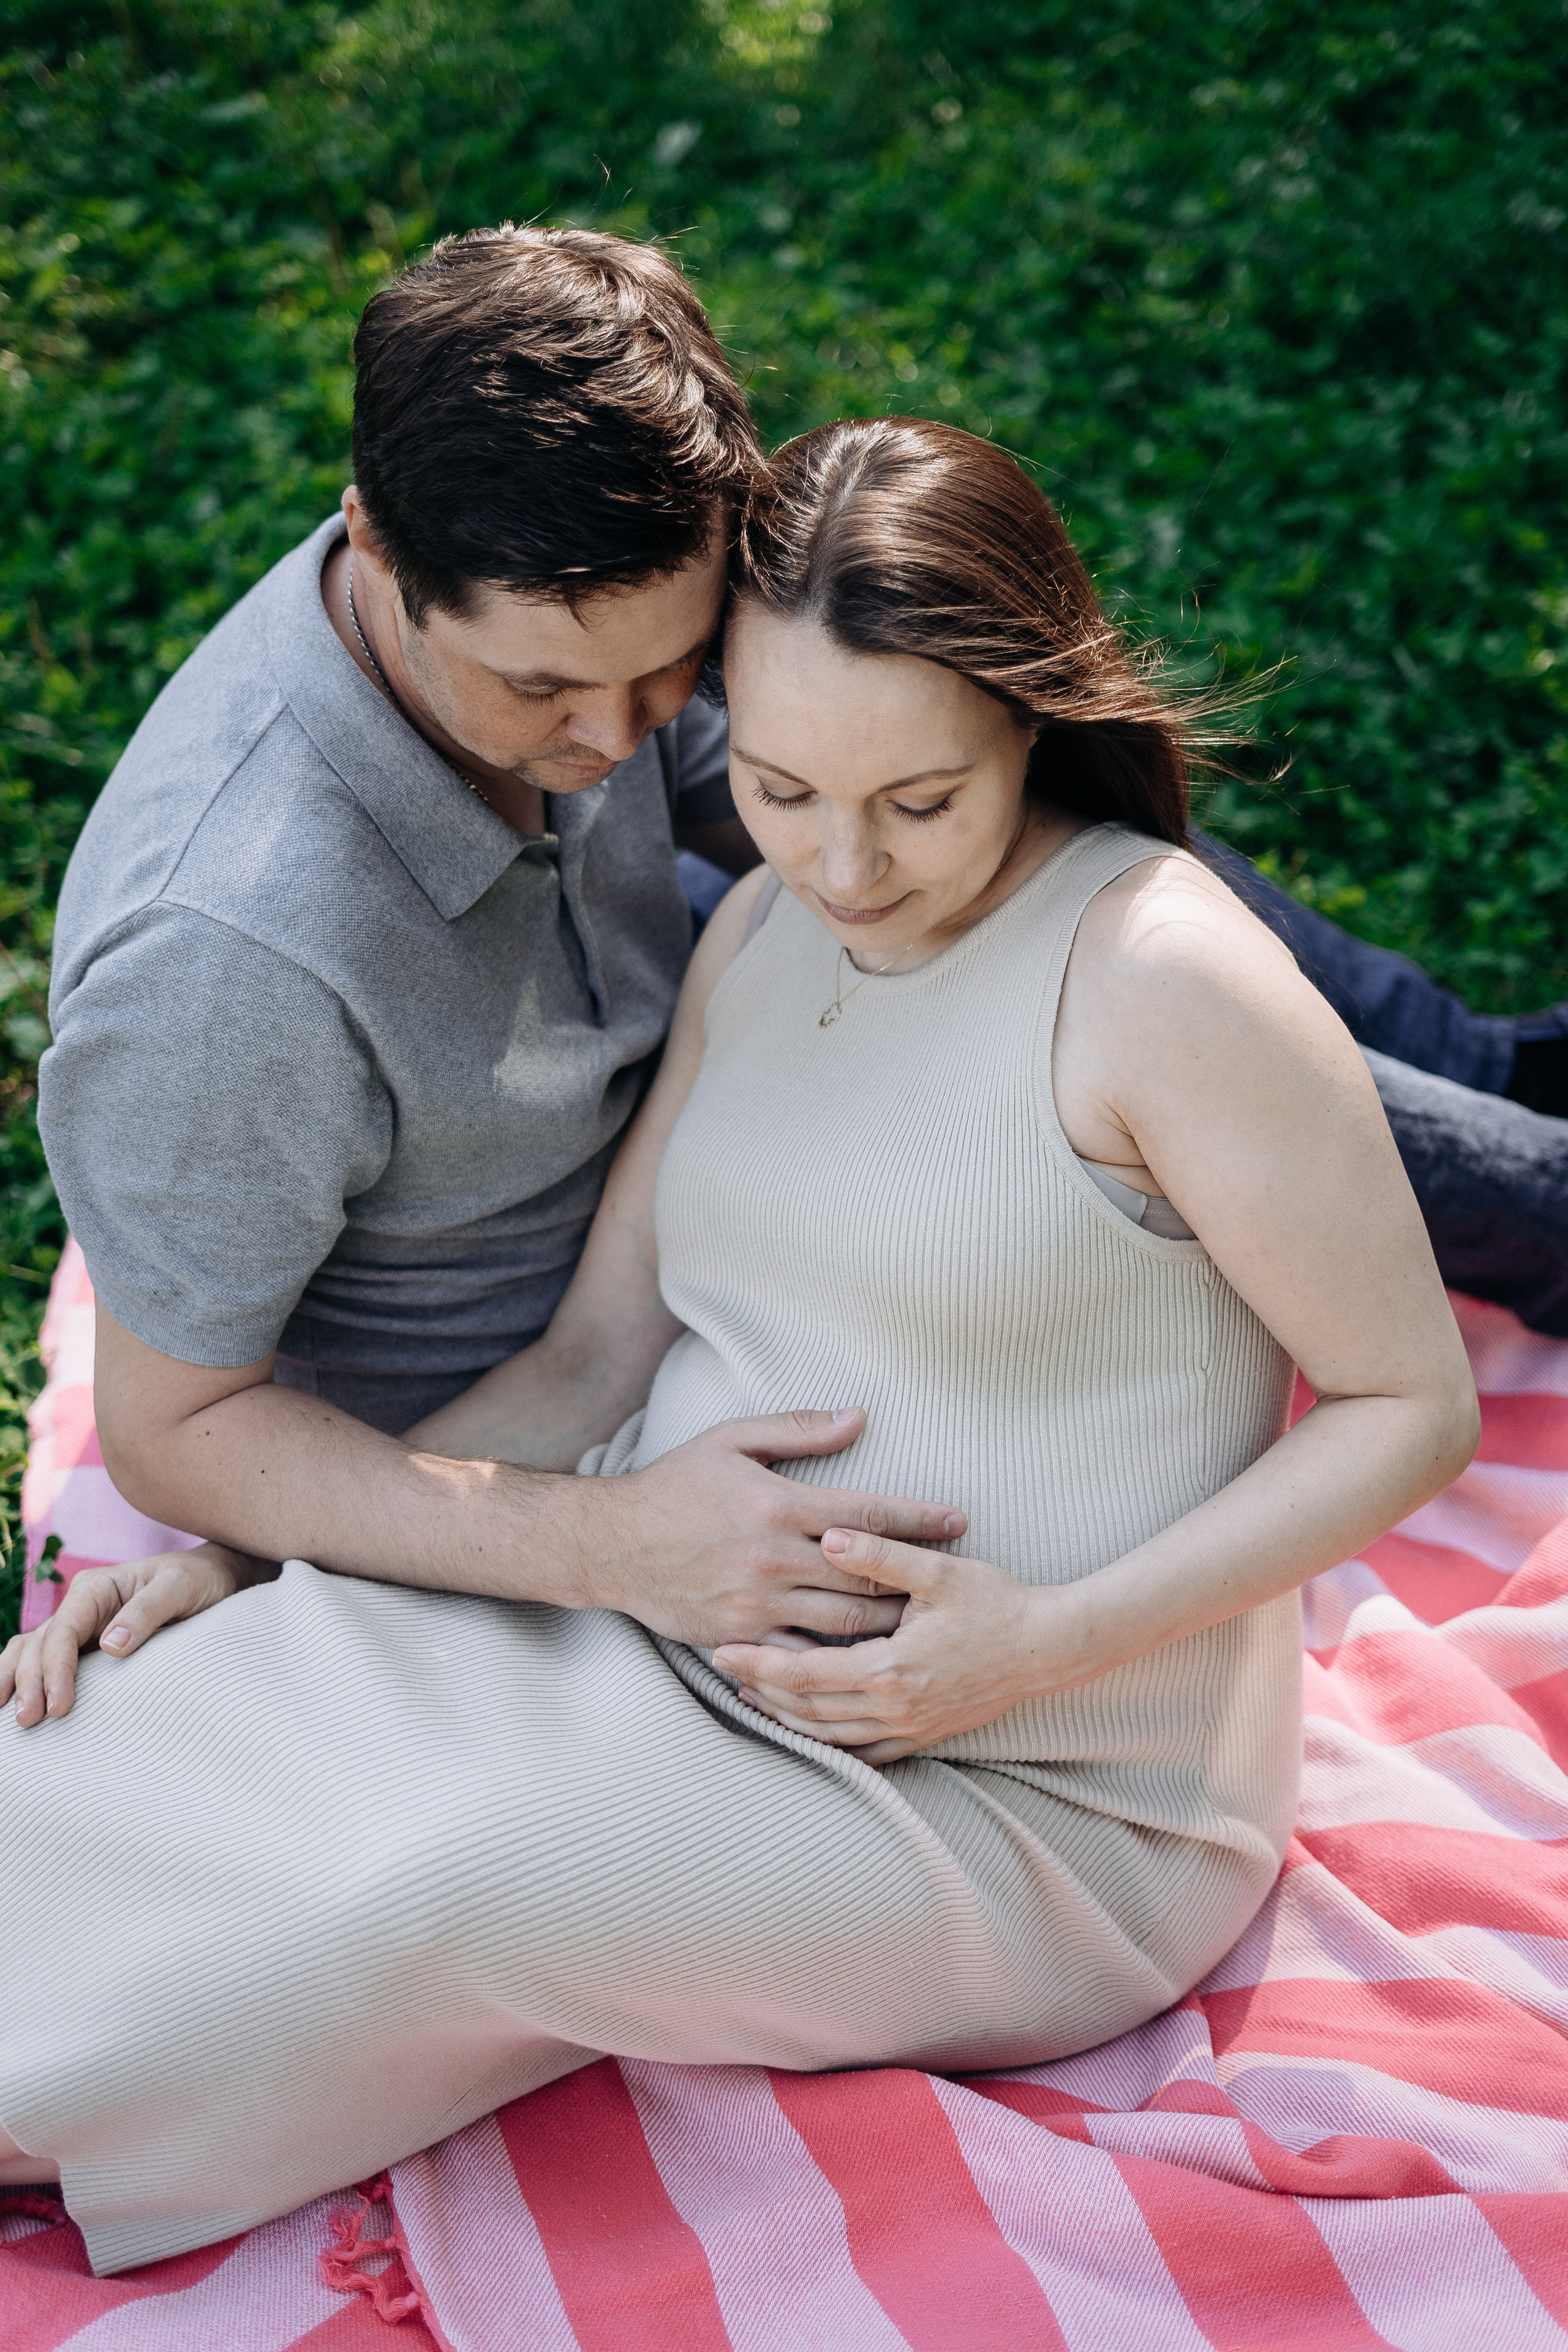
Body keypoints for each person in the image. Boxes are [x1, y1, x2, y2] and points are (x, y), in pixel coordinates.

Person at [0, 417, 1477, 2271]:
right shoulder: (764, 931)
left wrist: (1036, 1647)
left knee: (432, 1887)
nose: (845, 865)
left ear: (1031, 713)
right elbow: (598, 1356)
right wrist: (256, 1551)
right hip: (664, 1603)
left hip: (1031, 1792)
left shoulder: (1162, 978)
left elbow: (1408, 1406)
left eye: (920, 802)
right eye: (777, 788)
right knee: (166, 1725)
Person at [3, 219, 1564, 1728]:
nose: (618, 745)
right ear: (374, 546)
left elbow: (841, 762)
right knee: (1083, 992)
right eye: (543, 687)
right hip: (554, 1327)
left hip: (604, 1011)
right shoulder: (230, 961)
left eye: (670, 673)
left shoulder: (557, 592)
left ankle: (1494, 1069)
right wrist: (568, 1544)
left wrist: (867, 786)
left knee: (946, 793)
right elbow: (177, 1432)